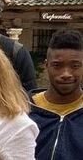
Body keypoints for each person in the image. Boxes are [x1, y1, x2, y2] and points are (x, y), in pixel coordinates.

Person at [30, 29, 83, 159]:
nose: (66, 74)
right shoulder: (24, 110)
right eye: (57, 66)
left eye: (75, 66)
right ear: (46, 66)